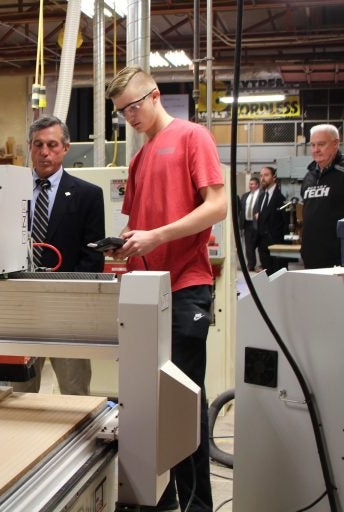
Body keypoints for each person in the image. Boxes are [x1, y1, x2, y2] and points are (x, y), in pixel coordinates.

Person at [106, 66, 226, 512]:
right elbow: (137, 224)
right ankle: (164, 502)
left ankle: (197, 507)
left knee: (182, 406)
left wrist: (157, 236)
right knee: (151, 405)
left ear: (155, 96)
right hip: (145, 295)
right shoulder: (139, 158)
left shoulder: (193, 137)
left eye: (134, 106)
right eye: (121, 112)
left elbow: (217, 207)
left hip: (185, 288)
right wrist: (124, 245)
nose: (129, 117)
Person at [12, 115, 105, 396]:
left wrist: (69, 298)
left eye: (52, 145)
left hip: (68, 311)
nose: (44, 152)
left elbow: (92, 258)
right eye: (38, 144)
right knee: (19, 392)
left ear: (66, 148)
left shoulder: (88, 195)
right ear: (29, 147)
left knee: (74, 389)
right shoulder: (10, 192)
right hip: (22, 309)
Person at [300, 124, 344, 269]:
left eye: (321, 144)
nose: (316, 150)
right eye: (312, 145)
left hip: (338, 259)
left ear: (336, 143)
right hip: (311, 257)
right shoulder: (309, 176)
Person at [254, 166, 288, 275]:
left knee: (278, 277)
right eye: (261, 175)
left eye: (266, 175)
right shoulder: (262, 196)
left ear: (274, 177)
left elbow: (285, 223)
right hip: (263, 245)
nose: (262, 178)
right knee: (267, 276)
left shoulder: (281, 198)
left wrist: (284, 247)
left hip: (277, 245)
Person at [239, 175, 260, 271]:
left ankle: (262, 264)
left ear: (257, 185)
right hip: (247, 224)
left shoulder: (262, 195)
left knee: (260, 244)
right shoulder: (245, 196)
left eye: (252, 184)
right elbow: (241, 210)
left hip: (258, 223)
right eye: (249, 184)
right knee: (248, 246)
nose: (250, 186)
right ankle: (250, 264)